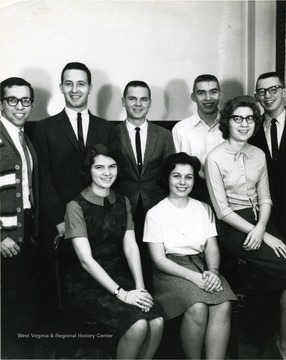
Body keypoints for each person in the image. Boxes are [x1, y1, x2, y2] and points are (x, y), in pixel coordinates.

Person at [63, 143, 164, 359]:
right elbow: (86, 260)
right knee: (137, 326)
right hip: (86, 282)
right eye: (99, 167)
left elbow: (130, 246)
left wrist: (140, 287)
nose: (107, 173)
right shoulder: (75, 206)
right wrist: (122, 294)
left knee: (156, 322)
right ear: (89, 170)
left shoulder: (122, 201)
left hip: (118, 274)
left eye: (112, 166)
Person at [205, 95, 286, 359]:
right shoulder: (215, 157)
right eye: (237, 118)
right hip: (231, 225)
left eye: (250, 118)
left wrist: (262, 228)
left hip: (259, 219)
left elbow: (265, 198)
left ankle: (273, 338)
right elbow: (222, 210)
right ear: (227, 122)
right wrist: (255, 231)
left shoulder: (259, 154)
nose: (244, 124)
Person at [33, 62, 118, 309]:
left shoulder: (106, 128)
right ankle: (67, 342)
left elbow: (112, 175)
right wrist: (61, 220)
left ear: (90, 87)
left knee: (99, 282)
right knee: (64, 288)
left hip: (100, 221)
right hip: (60, 222)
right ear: (61, 87)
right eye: (68, 84)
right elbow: (43, 178)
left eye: (80, 83)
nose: (74, 89)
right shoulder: (44, 128)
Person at [143, 152, 236, 359]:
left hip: (203, 266)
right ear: (167, 178)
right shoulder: (155, 213)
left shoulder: (203, 208)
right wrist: (194, 277)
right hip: (170, 270)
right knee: (198, 307)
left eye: (188, 177)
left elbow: (212, 248)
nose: (182, 182)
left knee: (224, 304)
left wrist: (213, 271)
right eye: (176, 176)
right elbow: (159, 260)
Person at [116, 80, 175, 286]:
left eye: (143, 99)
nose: (138, 104)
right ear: (123, 101)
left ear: (150, 103)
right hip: (122, 206)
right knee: (126, 257)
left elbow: (171, 174)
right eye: (132, 98)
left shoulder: (164, 135)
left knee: (155, 257)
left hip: (156, 205)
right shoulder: (112, 133)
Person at [0, 77, 40, 358]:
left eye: (25, 100)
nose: (19, 106)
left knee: (21, 305)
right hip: (5, 236)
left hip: (25, 231)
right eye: (12, 100)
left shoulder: (23, 136)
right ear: (1, 103)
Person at [172, 74, 224, 202]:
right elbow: (175, 170)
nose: (208, 98)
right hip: (192, 193)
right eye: (201, 93)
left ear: (220, 94)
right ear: (193, 97)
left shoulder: (233, 125)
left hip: (228, 192)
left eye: (213, 92)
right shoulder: (180, 129)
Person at [250, 72, 286, 238]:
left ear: (284, 92)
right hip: (266, 217)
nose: (267, 95)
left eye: (273, 89)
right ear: (256, 96)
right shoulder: (249, 130)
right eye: (262, 91)